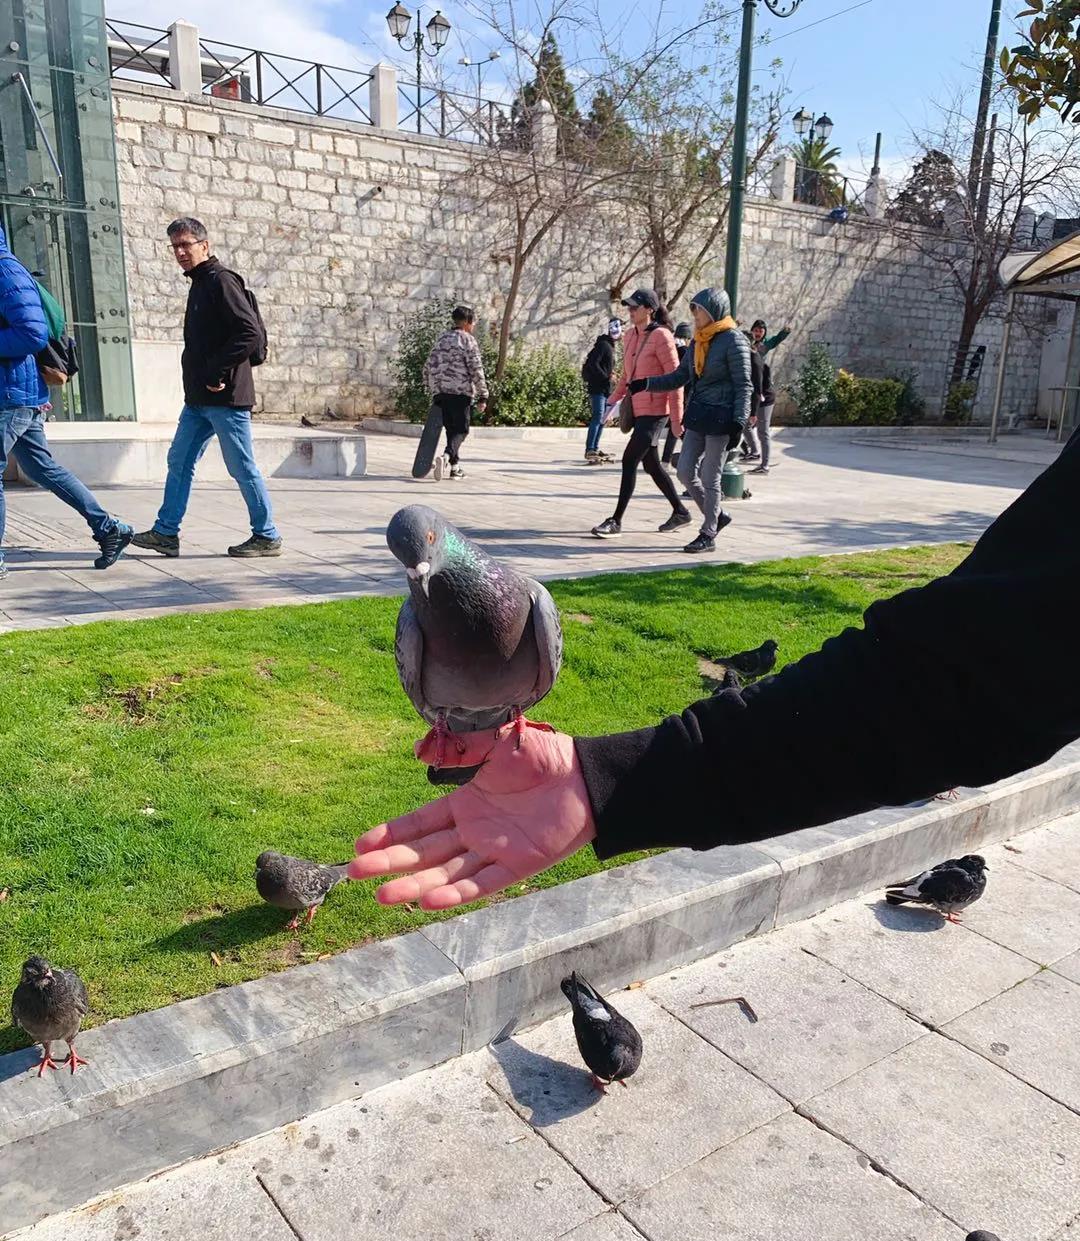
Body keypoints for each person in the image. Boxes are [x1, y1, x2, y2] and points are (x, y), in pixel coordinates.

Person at [347, 434, 1080, 911]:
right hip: (469, 725)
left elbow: (968, 676)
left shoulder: (530, 601)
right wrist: (603, 778)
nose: (420, 575)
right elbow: (965, 677)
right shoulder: (417, 621)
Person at [131, 218, 282, 561]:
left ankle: (267, 534)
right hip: (198, 399)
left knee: (242, 467)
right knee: (179, 461)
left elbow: (249, 333)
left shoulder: (221, 281)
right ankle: (166, 533)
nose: (181, 252)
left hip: (225, 398)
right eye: (176, 246)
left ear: (205, 245)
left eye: (187, 244)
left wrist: (216, 369)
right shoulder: (199, 283)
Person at [0, 226, 133, 578]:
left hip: (11, 394)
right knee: (43, 468)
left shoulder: (5, 269)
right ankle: (109, 529)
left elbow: (32, 332)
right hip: (16, 392)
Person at [631, 288, 751, 554]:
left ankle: (708, 533)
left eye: (700, 311)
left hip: (722, 418)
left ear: (714, 312)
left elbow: (744, 385)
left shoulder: (734, 340)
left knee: (711, 476)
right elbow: (679, 377)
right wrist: (646, 383)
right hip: (699, 414)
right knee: (685, 470)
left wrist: (738, 422)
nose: (695, 316)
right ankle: (717, 515)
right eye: (694, 310)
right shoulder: (699, 341)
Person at [590, 289, 689, 539]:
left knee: (629, 459)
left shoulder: (662, 336)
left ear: (649, 309)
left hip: (656, 412)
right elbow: (627, 377)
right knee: (652, 465)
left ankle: (616, 520)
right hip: (639, 409)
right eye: (629, 307)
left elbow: (675, 381)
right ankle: (680, 511)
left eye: (635, 307)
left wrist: (677, 422)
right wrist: (611, 404)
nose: (630, 311)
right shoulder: (631, 336)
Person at [421, 304, 489, 482]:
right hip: (460, 392)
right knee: (461, 430)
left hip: (441, 393)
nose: (473, 326)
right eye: (473, 323)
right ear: (467, 322)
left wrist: (431, 388)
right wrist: (483, 395)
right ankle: (445, 456)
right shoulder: (468, 340)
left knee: (451, 430)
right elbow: (476, 368)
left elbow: (428, 366)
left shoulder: (442, 338)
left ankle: (455, 468)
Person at [742, 318, 788, 461]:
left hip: (761, 388)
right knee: (746, 424)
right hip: (750, 388)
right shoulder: (746, 344)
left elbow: (775, 340)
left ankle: (763, 461)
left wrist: (784, 333)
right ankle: (754, 451)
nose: (758, 333)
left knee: (760, 429)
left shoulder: (763, 346)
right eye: (756, 330)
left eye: (761, 331)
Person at [581, 317, 621, 464]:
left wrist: (611, 375)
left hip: (604, 388)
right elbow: (593, 364)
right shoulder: (603, 345)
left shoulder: (610, 346)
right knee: (598, 417)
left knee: (602, 419)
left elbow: (604, 366)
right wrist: (607, 376)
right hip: (598, 388)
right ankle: (589, 448)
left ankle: (595, 448)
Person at [662, 320, 692, 469]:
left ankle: (665, 460)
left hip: (668, 391)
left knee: (675, 427)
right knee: (680, 428)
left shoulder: (670, 349)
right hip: (683, 396)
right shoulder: (687, 352)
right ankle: (670, 460)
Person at [743, 340, 775, 475]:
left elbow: (757, 389)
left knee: (763, 431)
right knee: (746, 425)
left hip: (765, 398)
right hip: (757, 397)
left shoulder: (754, 361)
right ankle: (755, 452)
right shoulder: (748, 359)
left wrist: (754, 413)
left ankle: (765, 465)